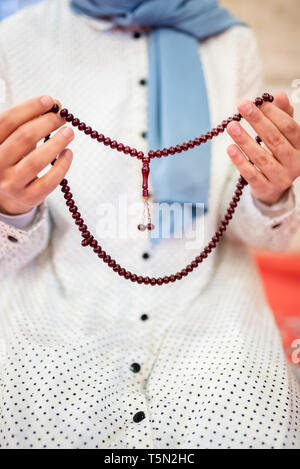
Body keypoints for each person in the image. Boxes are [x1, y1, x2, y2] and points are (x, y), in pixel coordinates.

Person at [0, 0, 299, 450]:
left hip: (211, 314)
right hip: (57, 315)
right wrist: (11, 206)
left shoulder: (232, 41)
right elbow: (10, 251)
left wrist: (271, 192)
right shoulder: (17, 40)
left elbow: (250, 226)